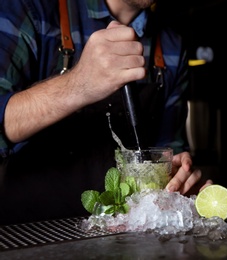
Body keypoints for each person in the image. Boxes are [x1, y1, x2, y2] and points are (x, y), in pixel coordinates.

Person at [0, 0, 212, 225]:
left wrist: (179, 179)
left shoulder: (172, 46)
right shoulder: (32, 9)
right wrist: (78, 84)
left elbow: (171, 151)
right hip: (29, 235)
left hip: (124, 241)